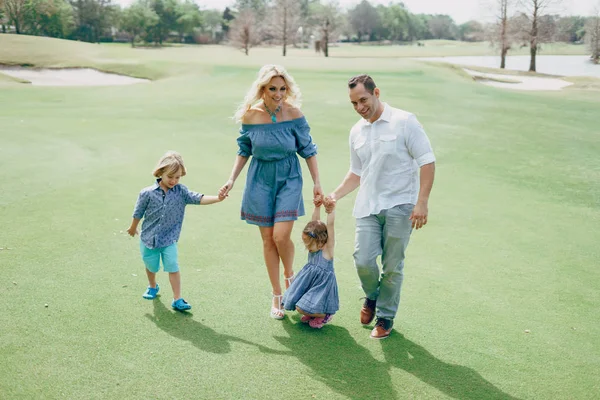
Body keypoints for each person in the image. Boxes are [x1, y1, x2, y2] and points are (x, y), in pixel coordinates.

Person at [326, 74, 436, 339]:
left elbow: (427, 161)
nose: (360, 107)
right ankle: (372, 297)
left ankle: (385, 317)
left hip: (401, 205)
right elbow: (356, 172)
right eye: (354, 103)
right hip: (367, 206)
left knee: (392, 266)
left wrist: (422, 202)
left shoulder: (405, 121)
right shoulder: (356, 131)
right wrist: (335, 195)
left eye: (363, 100)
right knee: (362, 260)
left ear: (376, 93)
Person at [219, 64, 322, 320]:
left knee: (280, 236)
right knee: (267, 240)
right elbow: (244, 149)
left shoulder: (294, 113)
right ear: (262, 88)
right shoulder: (250, 116)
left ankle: (290, 278)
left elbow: (308, 149)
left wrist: (316, 182)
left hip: (289, 176)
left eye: (283, 88)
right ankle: (276, 294)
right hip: (260, 179)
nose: (278, 94)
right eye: (273, 88)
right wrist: (231, 180)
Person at [127, 151, 226, 311]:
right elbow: (138, 212)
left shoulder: (181, 192)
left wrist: (218, 198)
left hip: (169, 239)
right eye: (170, 177)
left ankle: (177, 299)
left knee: (173, 266)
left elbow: (198, 198)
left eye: (177, 177)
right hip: (148, 239)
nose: (174, 181)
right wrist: (133, 228)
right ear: (160, 173)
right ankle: (153, 286)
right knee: (151, 266)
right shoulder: (147, 193)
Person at [283, 195, 338, 329]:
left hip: (321, 284)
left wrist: (330, 210)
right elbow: (315, 221)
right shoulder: (314, 245)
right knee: (295, 301)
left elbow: (330, 226)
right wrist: (317, 206)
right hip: (309, 280)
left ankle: (324, 315)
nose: (307, 247)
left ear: (320, 241)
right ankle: (313, 313)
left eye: (309, 244)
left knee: (300, 308)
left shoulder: (327, 250)